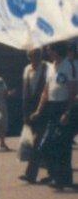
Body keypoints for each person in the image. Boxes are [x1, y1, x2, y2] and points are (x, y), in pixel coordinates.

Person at [23, 41, 76, 189]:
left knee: (63, 144)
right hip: (51, 108)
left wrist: (68, 112)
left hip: (64, 106)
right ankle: (56, 176)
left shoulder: (68, 66)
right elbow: (45, 91)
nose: (47, 51)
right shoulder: (50, 67)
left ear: (57, 50)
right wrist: (39, 110)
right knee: (46, 145)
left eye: (50, 49)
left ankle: (63, 179)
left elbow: (72, 92)